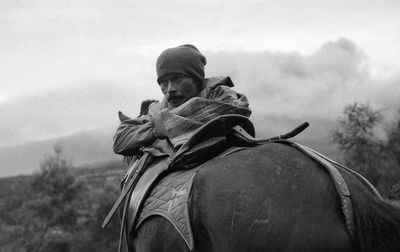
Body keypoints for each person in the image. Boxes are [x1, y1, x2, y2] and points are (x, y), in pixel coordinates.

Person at [113, 44, 252, 162]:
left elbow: (227, 116)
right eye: (163, 82)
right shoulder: (159, 113)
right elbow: (120, 141)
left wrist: (166, 123)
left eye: (177, 79)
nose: (169, 89)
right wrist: (155, 128)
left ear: (197, 79)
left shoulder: (224, 99)